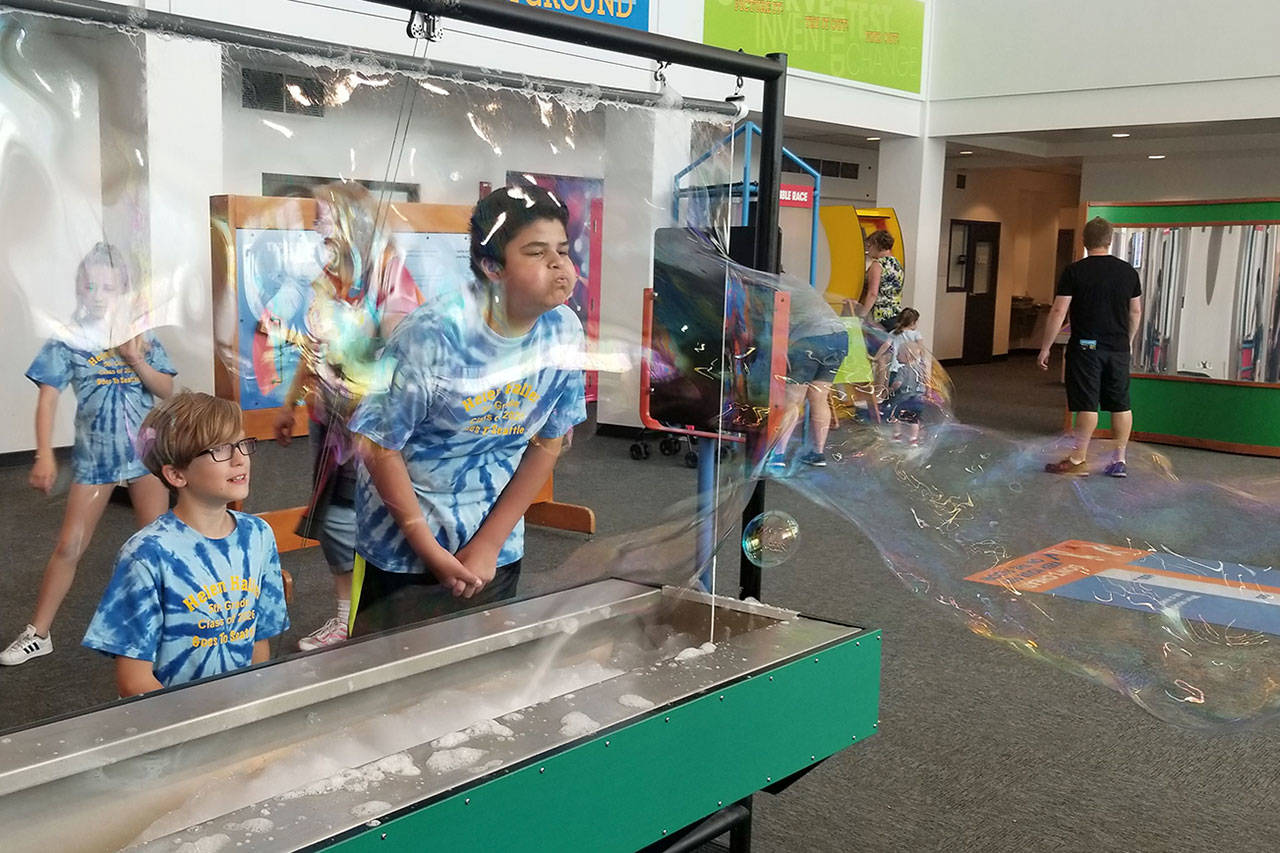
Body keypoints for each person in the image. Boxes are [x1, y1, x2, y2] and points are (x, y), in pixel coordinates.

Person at [347, 184, 587, 633]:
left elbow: (548, 442)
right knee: (388, 686)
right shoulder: (432, 336)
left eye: (562, 250)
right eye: (536, 252)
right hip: (402, 549)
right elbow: (378, 445)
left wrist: (490, 544)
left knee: (478, 680)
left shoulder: (564, 331)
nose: (558, 265)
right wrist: (428, 549)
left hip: (492, 547)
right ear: (491, 267)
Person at [1, 243, 177, 667]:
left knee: (156, 544)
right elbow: (47, 400)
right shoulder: (69, 339)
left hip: (146, 456)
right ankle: (38, 632)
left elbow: (166, 389)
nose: (97, 294)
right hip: (96, 458)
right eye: (90, 285)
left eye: (108, 287)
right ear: (79, 288)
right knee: (69, 545)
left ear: (124, 292)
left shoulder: (141, 334)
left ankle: (173, 624)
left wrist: (135, 358)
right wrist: (44, 453)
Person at [272, 183, 420, 651]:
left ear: (353, 222)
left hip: (372, 426)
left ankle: (373, 618)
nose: (317, 226)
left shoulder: (389, 275)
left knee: (377, 519)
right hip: (329, 418)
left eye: (324, 216)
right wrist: (291, 401)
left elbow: (403, 347)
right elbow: (315, 345)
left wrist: (378, 338)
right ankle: (346, 617)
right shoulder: (327, 277)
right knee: (334, 521)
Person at [82, 392, 289, 697]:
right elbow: (133, 681)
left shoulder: (258, 534)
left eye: (242, 443)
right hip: (177, 725)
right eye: (220, 449)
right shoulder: (146, 555)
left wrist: (252, 703)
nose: (239, 458)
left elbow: (259, 639)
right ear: (177, 474)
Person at [1038, 216, 1142, 477]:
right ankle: (1119, 460)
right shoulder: (1128, 271)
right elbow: (1136, 312)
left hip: (1086, 347)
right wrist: (1126, 341)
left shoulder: (1075, 271)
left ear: (1084, 241)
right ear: (1110, 240)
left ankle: (1078, 458)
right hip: (1118, 348)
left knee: (1087, 403)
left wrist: (1046, 347)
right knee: (1120, 404)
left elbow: (1060, 309)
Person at [770, 280, 849, 468]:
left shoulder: (771, 286)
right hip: (839, 337)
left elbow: (769, 324)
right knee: (819, 397)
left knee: (793, 399)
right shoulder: (798, 283)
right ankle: (818, 453)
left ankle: (778, 456)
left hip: (810, 339)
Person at [885, 339, 929, 447]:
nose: (896, 357)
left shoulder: (903, 369)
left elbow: (898, 384)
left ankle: (897, 436)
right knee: (914, 419)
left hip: (904, 400)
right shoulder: (921, 369)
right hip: (918, 400)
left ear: (907, 356)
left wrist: (890, 389)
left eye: (899, 354)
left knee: (896, 417)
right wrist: (927, 393)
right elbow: (927, 382)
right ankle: (913, 439)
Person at [859, 230, 905, 330]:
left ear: (876, 244)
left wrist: (861, 316)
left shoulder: (878, 265)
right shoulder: (897, 264)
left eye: (869, 245)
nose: (868, 249)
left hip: (881, 316)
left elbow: (872, 294)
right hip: (896, 313)